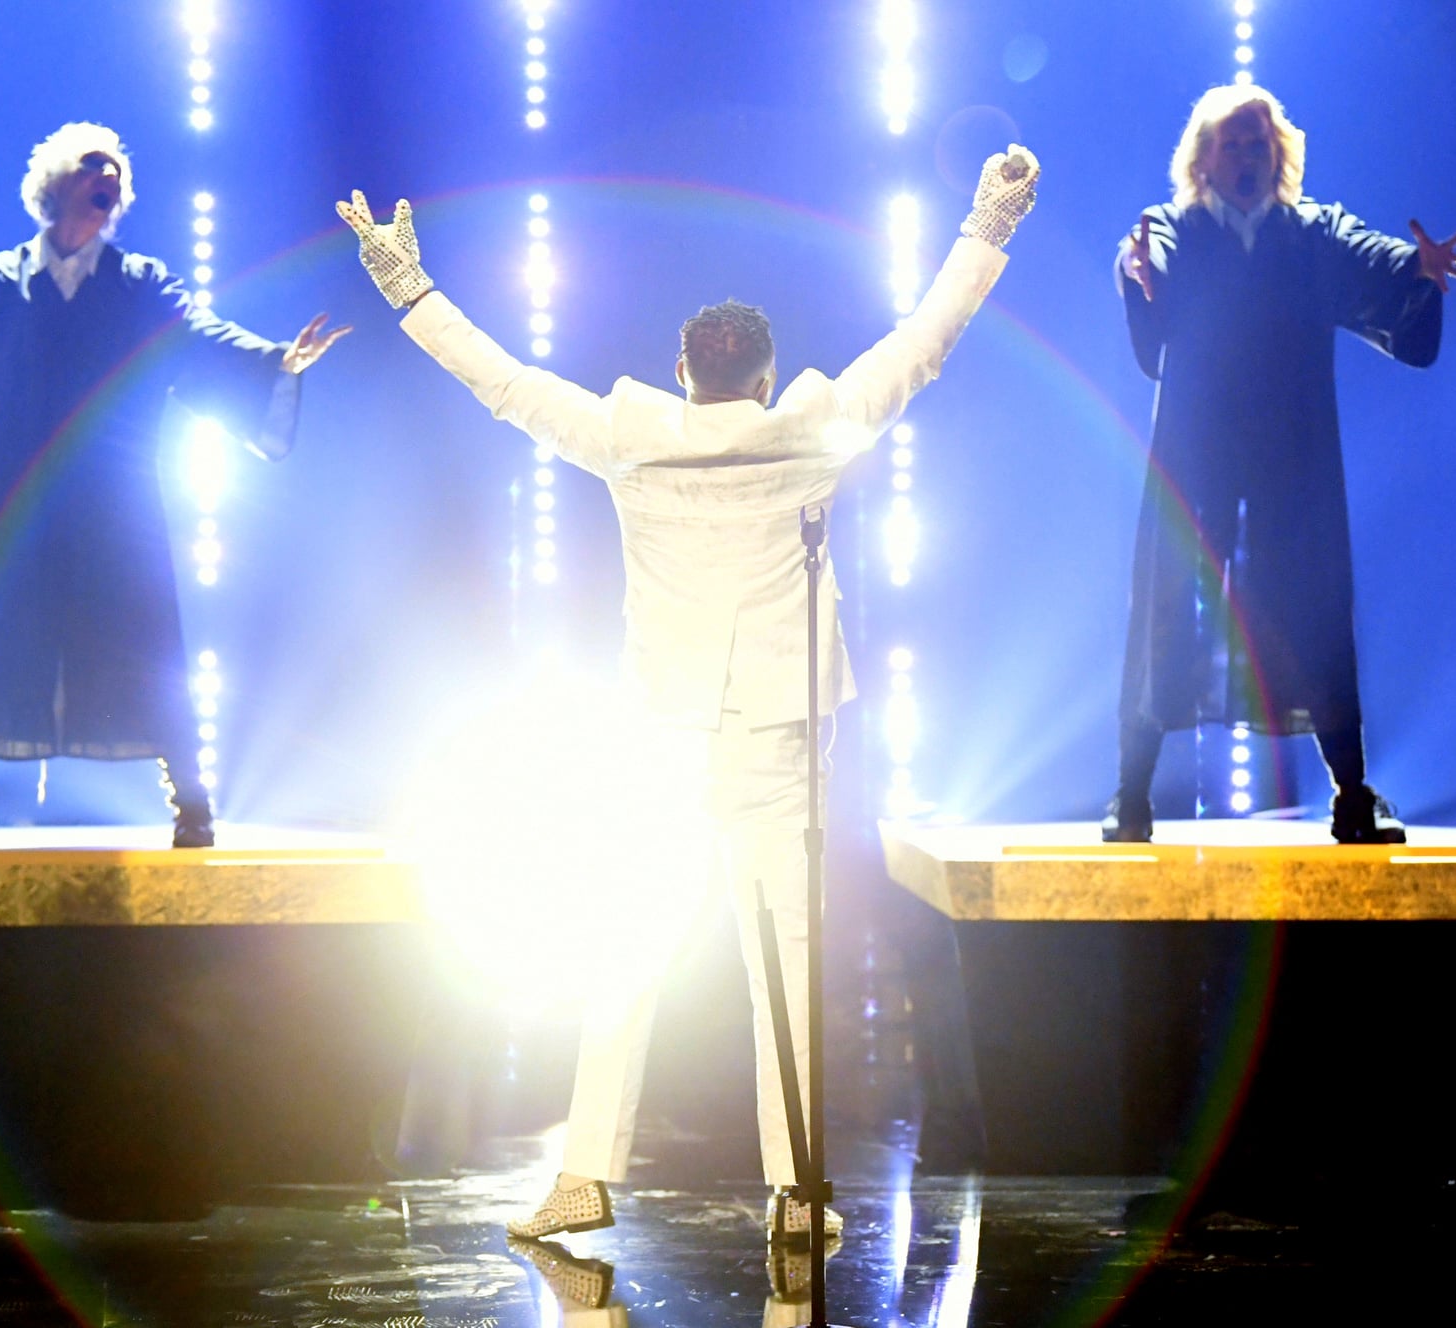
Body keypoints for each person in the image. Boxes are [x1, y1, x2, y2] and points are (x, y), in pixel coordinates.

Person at [334, 145, 1039, 1244]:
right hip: (774, 734)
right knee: (786, 969)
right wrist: (987, 224)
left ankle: (584, 1178)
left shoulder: (631, 438)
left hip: (664, 733)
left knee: (624, 946)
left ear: (680, 370)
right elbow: (922, 344)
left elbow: (506, 385)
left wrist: (409, 290)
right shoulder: (808, 432)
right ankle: (797, 1195)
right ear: (762, 374)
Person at [0, 123, 347, 849]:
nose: (108, 177)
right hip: (23, 495)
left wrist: (278, 360)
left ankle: (192, 807)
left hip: (117, 501)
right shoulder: (0, 278)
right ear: (55, 186)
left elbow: (200, 334)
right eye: (94, 167)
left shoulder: (141, 283)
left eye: (116, 170)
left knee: (149, 641)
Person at [1105, 84, 1456, 845]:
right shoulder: (1174, 228)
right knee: (1168, 603)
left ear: (1279, 154)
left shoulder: (1311, 232)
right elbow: (1150, 265)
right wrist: (1140, 279)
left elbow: (1374, 257)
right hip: (1196, 445)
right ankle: (1132, 795)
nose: (1244, 156)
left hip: (1290, 450)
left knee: (1312, 602)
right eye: (1230, 143)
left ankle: (1351, 793)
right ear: (1203, 157)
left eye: (1256, 143)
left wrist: (1418, 267)